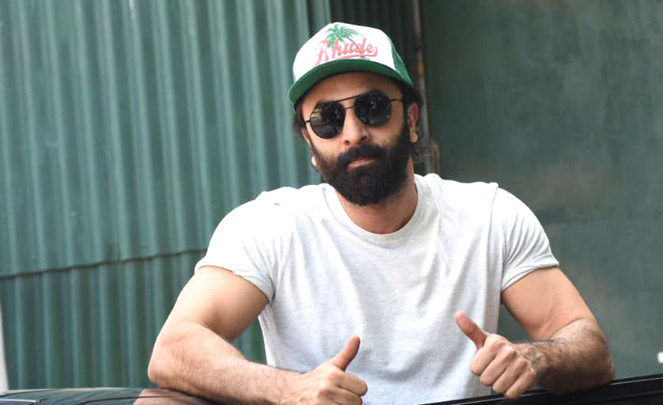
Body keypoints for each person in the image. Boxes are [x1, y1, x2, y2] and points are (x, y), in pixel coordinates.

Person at [148, 22, 615, 404]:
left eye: (372, 108)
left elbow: (590, 346)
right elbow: (174, 349)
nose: (352, 132)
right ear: (310, 145)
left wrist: (534, 359)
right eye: (327, 119)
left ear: (410, 120)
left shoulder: (488, 215)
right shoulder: (271, 226)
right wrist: (288, 389)